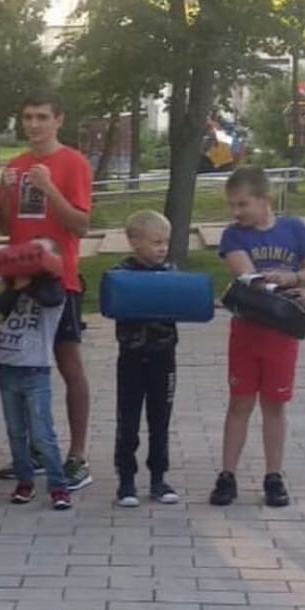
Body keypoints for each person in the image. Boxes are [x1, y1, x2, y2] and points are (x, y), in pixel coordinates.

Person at [0, 89, 93, 491]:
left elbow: (81, 225)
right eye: (28, 117)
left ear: (58, 120)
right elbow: (5, 226)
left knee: (69, 365)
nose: (33, 124)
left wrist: (49, 188)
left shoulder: (74, 163)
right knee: (23, 367)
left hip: (59, 281)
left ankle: (78, 456)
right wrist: (4, 194)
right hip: (21, 282)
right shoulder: (16, 165)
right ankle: (34, 450)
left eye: (41, 117)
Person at [210, 166, 305, 507]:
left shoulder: (294, 228)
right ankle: (227, 475)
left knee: (275, 404)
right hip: (248, 328)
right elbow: (248, 277)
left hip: (282, 332)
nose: (236, 212)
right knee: (240, 402)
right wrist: (279, 284)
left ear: (264, 199)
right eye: (232, 205)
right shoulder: (234, 236)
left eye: (243, 204)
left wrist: (293, 280)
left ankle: (273, 475)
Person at [0, 238, 71, 511]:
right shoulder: (17, 288)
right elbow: (0, 305)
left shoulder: (53, 291)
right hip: (7, 366)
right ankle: (24, 481)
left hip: (35, 369)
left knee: (42, 434)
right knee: (16, 432)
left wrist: (32, 281)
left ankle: (58, 486)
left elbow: (52, 298)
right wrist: (17, 286)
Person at [109, 211, 180, 507]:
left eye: (165, 242)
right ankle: (126, 480)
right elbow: (113, 305)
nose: (162, 248)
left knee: (160, 420)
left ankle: (158, 478)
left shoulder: (171, 272)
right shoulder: (120, 274)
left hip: (163, 357)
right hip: (132, 358)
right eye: (156, 242)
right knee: (128, 420)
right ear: (135, 242)